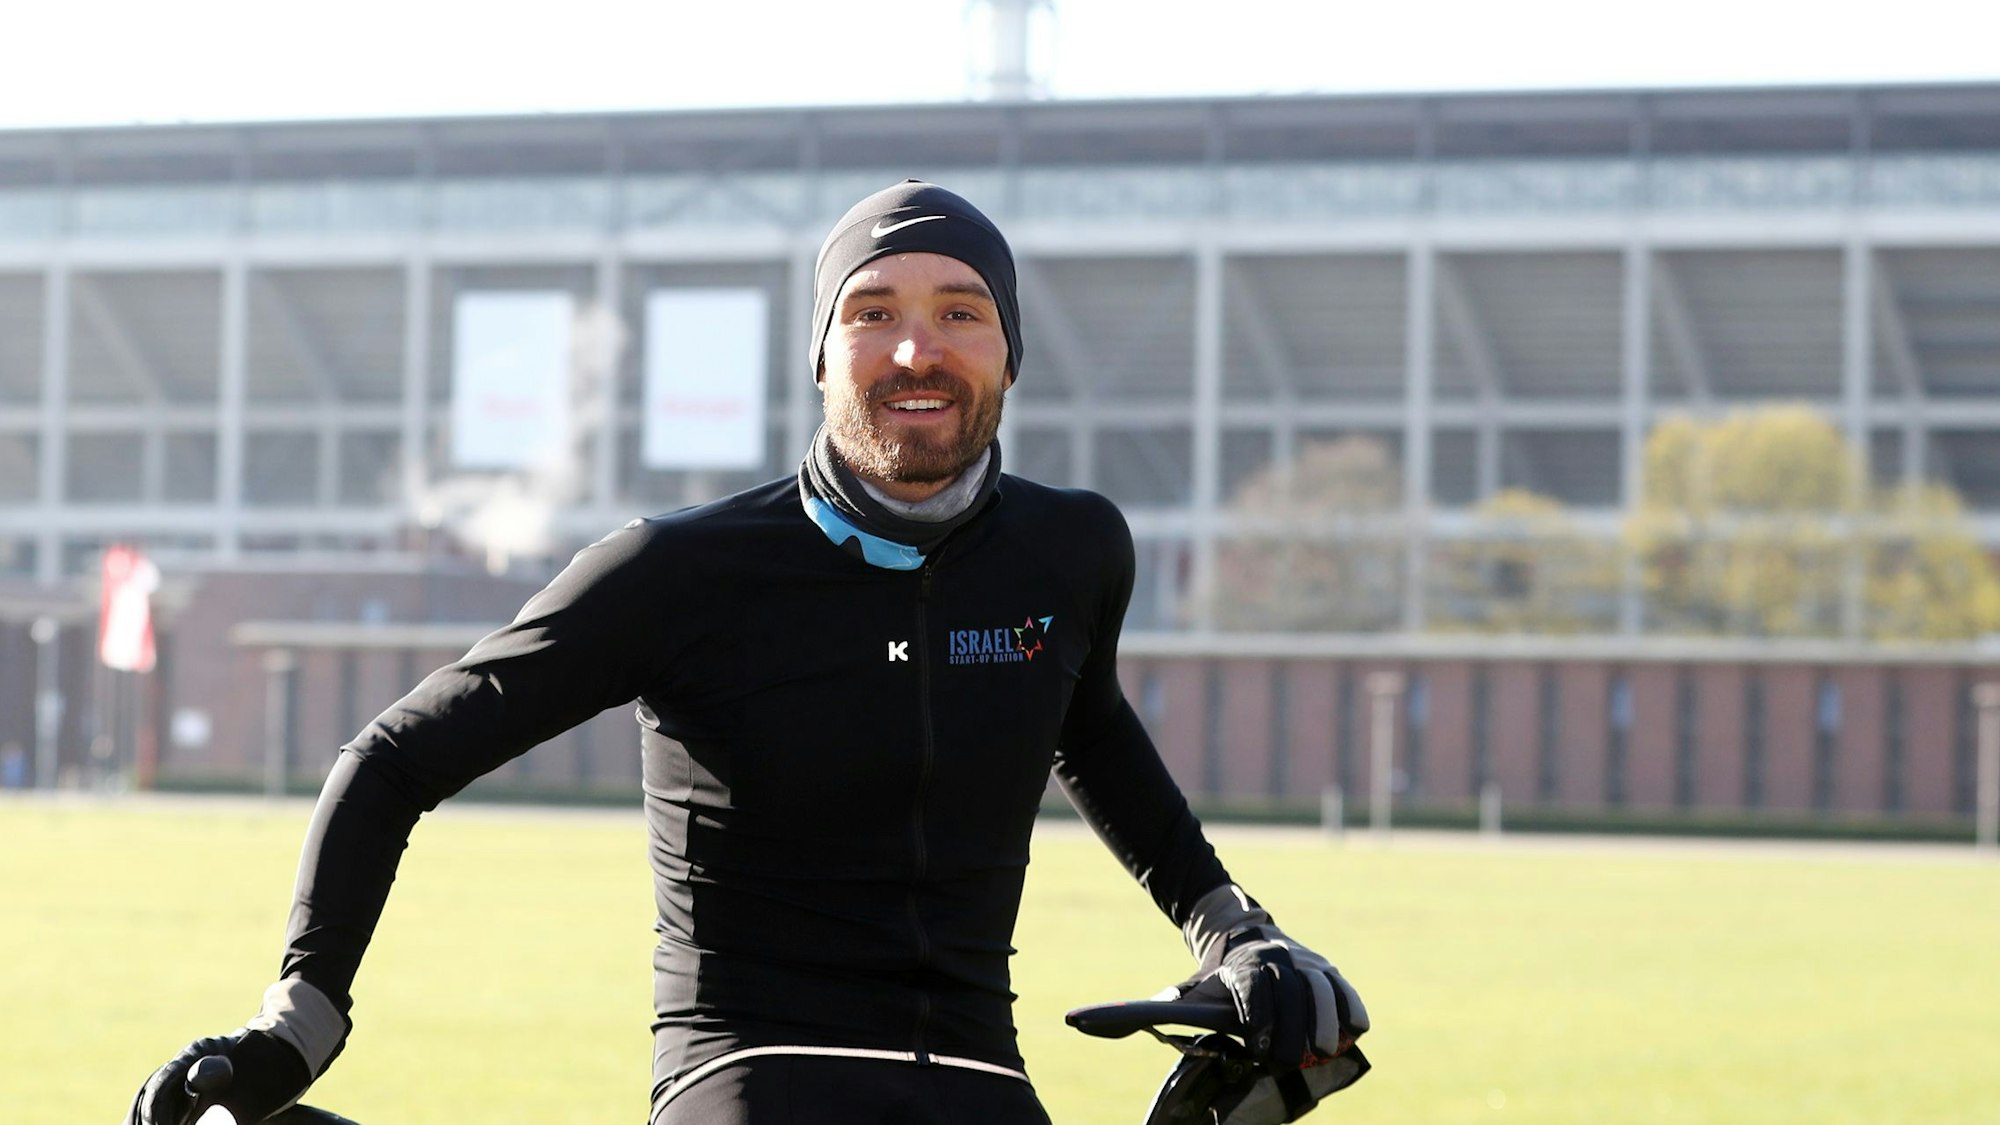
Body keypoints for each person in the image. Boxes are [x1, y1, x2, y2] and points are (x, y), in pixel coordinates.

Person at [125, 181, 1368, 1125]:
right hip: (750, 1073)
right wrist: (299, 1021)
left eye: (959, 312)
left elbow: (1086, 730)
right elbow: (393, 759)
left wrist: (1233, 932)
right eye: (871, 314)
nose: (915, 349)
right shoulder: (675, 571)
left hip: (980, 1077)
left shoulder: (1071, 551)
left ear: (1007, 353)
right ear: (820, 358)